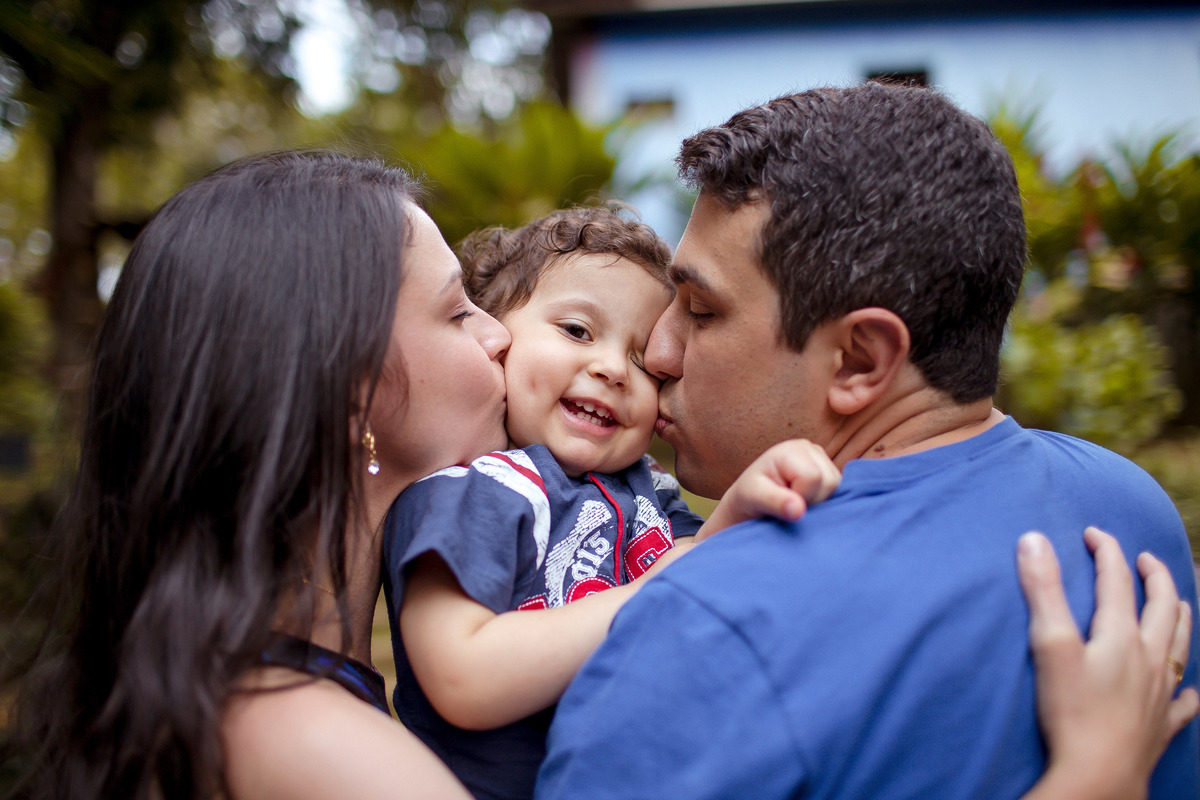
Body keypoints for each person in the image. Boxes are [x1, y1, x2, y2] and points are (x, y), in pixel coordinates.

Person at [2, 146, 1191, 800]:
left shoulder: (266, 691)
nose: (501, 337)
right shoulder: (303, 741)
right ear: (356, 389)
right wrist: (1090, 777)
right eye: (460, 310)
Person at [534, 83, 1200, 800]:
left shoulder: (710, 626)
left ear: (858, 360)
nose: (658, 352)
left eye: (700, 310)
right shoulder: (1129, 512)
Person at [382, 206, 839, 800]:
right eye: (577, 330)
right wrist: (655, 586)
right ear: (495, 342)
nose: (613, 370)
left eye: (643, 361)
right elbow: (462, 678)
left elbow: (703, 569)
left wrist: (739, 510)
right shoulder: (472, 490)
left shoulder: (647, 488)